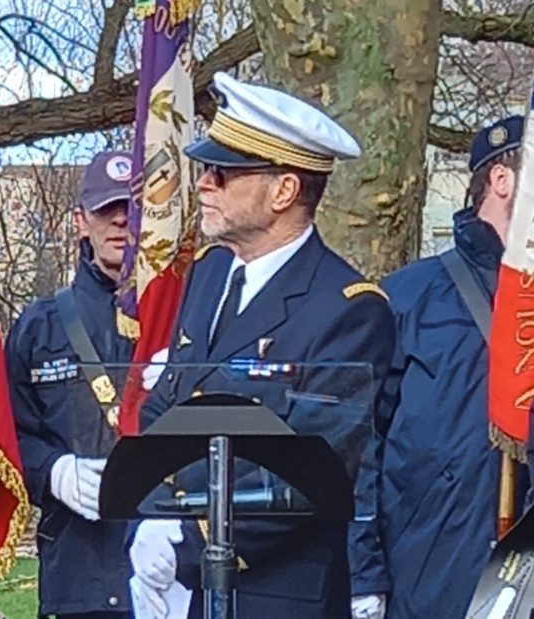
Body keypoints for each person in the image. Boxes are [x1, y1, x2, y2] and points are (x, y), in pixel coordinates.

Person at [129, 72, 395, 619]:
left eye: (223, 173)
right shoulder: (208, 275)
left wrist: (186, 536)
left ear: (283, 191)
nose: (203, 183)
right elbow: (166, 403)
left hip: (276, 596)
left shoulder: (347, 309)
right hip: (188, 590)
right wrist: (148, 512)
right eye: (206, 168)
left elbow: (308, 472)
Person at [380, 115, 526, 618]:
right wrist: (363, 581)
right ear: (502, 180)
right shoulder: (409, 296)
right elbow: (357, 450)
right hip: (433, 573)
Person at [5, 150, 136, 619]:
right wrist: (52, 471)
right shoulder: (41, 327)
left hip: (173, 569)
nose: (121, 220)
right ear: (82, 220)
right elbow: (5, 433)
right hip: (76, 571)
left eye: (134, 207)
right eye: (107, 210)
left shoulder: (194, 313)